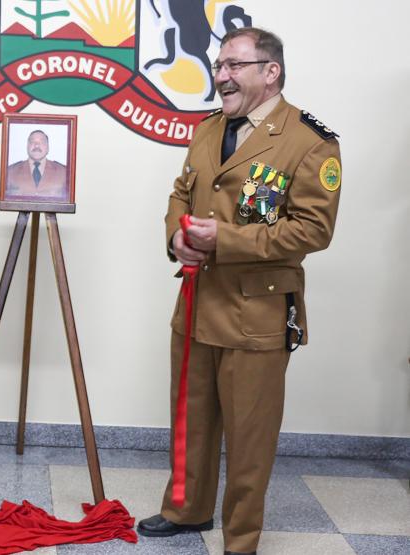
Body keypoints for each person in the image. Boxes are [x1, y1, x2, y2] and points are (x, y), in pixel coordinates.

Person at [137, 27, 341, 555]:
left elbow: (313, 230)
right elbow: (181, 195)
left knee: (249, 435)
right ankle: (186, 509)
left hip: (258, 312)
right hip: (197, 301)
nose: (221, 75)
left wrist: (223, 240)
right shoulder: (209, 128)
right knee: (191, 418)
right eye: (218, 65)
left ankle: (241, 539)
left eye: (234, 65)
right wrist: (176, 239)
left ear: (271, 72)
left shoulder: (310, 141)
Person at [5, 130, 68, 200]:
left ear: (48, 148)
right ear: (27, 147)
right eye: (32, 142)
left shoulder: (64, 172)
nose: (37, 145)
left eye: (42, 142)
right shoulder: (11, 171)